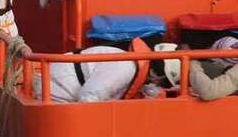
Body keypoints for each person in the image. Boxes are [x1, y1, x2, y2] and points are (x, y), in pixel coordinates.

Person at [34, 38, 177, 102]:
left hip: (60, 88)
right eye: (162, 84)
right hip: (57, 94)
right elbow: (88, 97)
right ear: (156, 75)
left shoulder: (129, 63)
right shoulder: (125, 68)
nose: (158, 88)